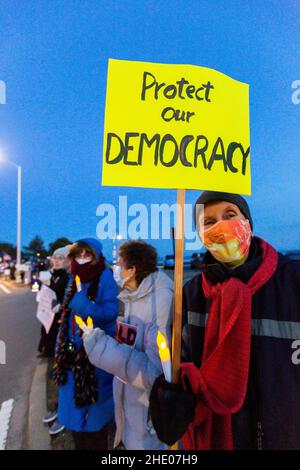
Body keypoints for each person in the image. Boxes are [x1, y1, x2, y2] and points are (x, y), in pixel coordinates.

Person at [149, 190, 300, 450]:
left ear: (248, 223)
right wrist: (171, 399)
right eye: (208, 222)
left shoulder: (293, 281)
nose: (221, 226)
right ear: (200, 237)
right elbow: (180, 365)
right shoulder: (191, 294)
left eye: (230, 215)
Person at [82, 240, 174, 450]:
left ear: (132, 270)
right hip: (129, 404)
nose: (115, 268)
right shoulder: (133, 297)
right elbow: (129, 346)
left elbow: (155, 373)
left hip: (147, 417)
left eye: (119, 264)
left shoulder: (160, 301)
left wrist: (100, 347)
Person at [53, 238, 118, 450]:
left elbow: (110, 314)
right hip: (71, 357)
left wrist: (84, 305)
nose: (82, 259)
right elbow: (67, 313)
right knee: (75, 423)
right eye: (78, 254)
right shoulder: (73, 276)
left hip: (94, 358)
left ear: (96, 255)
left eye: (86, 254)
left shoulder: (105, 276)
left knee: (94, 424)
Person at [38, 244, 72, 435]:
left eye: (61, 258)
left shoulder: (69, 279)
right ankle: (59, 409)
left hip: (64, 333)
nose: (56, 261)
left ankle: (63, 413)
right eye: (55, 258)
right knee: (56, 372)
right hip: (53, 330)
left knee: (62, 372)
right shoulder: (55, 276)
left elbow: (67, 303)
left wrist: (60, 307)